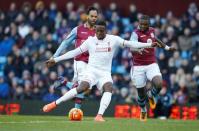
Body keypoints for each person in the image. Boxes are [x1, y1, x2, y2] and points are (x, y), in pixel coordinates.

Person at [42, 20, 158, 122]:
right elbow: (74, 52)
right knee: (81, 88)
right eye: (97, 31)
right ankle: (54, 104)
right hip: (91, 71)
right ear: (95, 30)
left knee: (109, 88)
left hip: (105, 74)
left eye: (101, 31)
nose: (99, 33)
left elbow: (130, 43)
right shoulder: (90, 41)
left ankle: (99, 116)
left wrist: (148, 45)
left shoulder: (113, 39)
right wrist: (56, 59)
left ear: (105, 30)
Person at [130, 15, 176, 121]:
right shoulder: (135, 34)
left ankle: (151, 94)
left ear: (149, 25)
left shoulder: (152, 30)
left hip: (151, 64)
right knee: (141, 93)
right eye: (140, 24)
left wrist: (167, 48)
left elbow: (156, 39)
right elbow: (131, 47)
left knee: (159, 83)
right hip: (138, 66)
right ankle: (143, 110)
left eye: (145, 24)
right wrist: (138, 50)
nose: (142, 26)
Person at [52, 6, 98, 109]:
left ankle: (64, 82)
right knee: (82, 88)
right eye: (92, 16)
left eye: (96, 16)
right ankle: (76, 112)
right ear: (87, 16)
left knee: (87, 89)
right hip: (80, 62)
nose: (94, 18)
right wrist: (55, 56)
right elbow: (65, 42)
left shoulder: (98, 32)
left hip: (92, 64)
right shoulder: (78, 30)